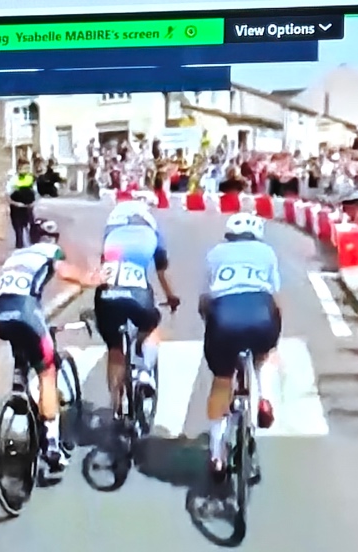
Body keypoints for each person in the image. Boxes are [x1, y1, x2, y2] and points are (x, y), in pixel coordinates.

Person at [0, 219, 104, 471]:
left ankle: (19, 385)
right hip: (26, 313)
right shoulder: (51, 251)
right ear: (53, 239)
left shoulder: (15, 256)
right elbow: (64, 271)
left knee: (21, 342)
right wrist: (91, 279)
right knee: (47, 370)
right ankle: (51, 444)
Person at [199, 213, 281, 480]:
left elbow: (205, 300)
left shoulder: (215, 253)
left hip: (224, 319)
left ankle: (216, 455)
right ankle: (264, 399)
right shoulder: (267, 253)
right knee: (265, 355)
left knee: (222, 380)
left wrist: (211, 327)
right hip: (261, 315)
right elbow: (275, 297)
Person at [95, 199, 180, 424]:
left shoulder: (110, 234)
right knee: (151, 327)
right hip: (138, 293)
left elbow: (103, 266)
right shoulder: (153, 233)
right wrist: (171, 297)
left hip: (106, 295)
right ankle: (144, 372)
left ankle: (116, 405)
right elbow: (161, 273)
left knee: (115, 348)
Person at [7, 161, 37, 249]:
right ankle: (19, 246)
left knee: (30, 226)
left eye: (28, 168)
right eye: (24, 168)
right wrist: (16, 204)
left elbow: (35, 193)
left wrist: (33, 203)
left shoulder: (31, 179)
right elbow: (7, 195)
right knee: (18, 228)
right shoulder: (13, 180)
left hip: (28, 207)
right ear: (19, 169)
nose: (26, 170)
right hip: (17, 208)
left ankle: (31, 245)